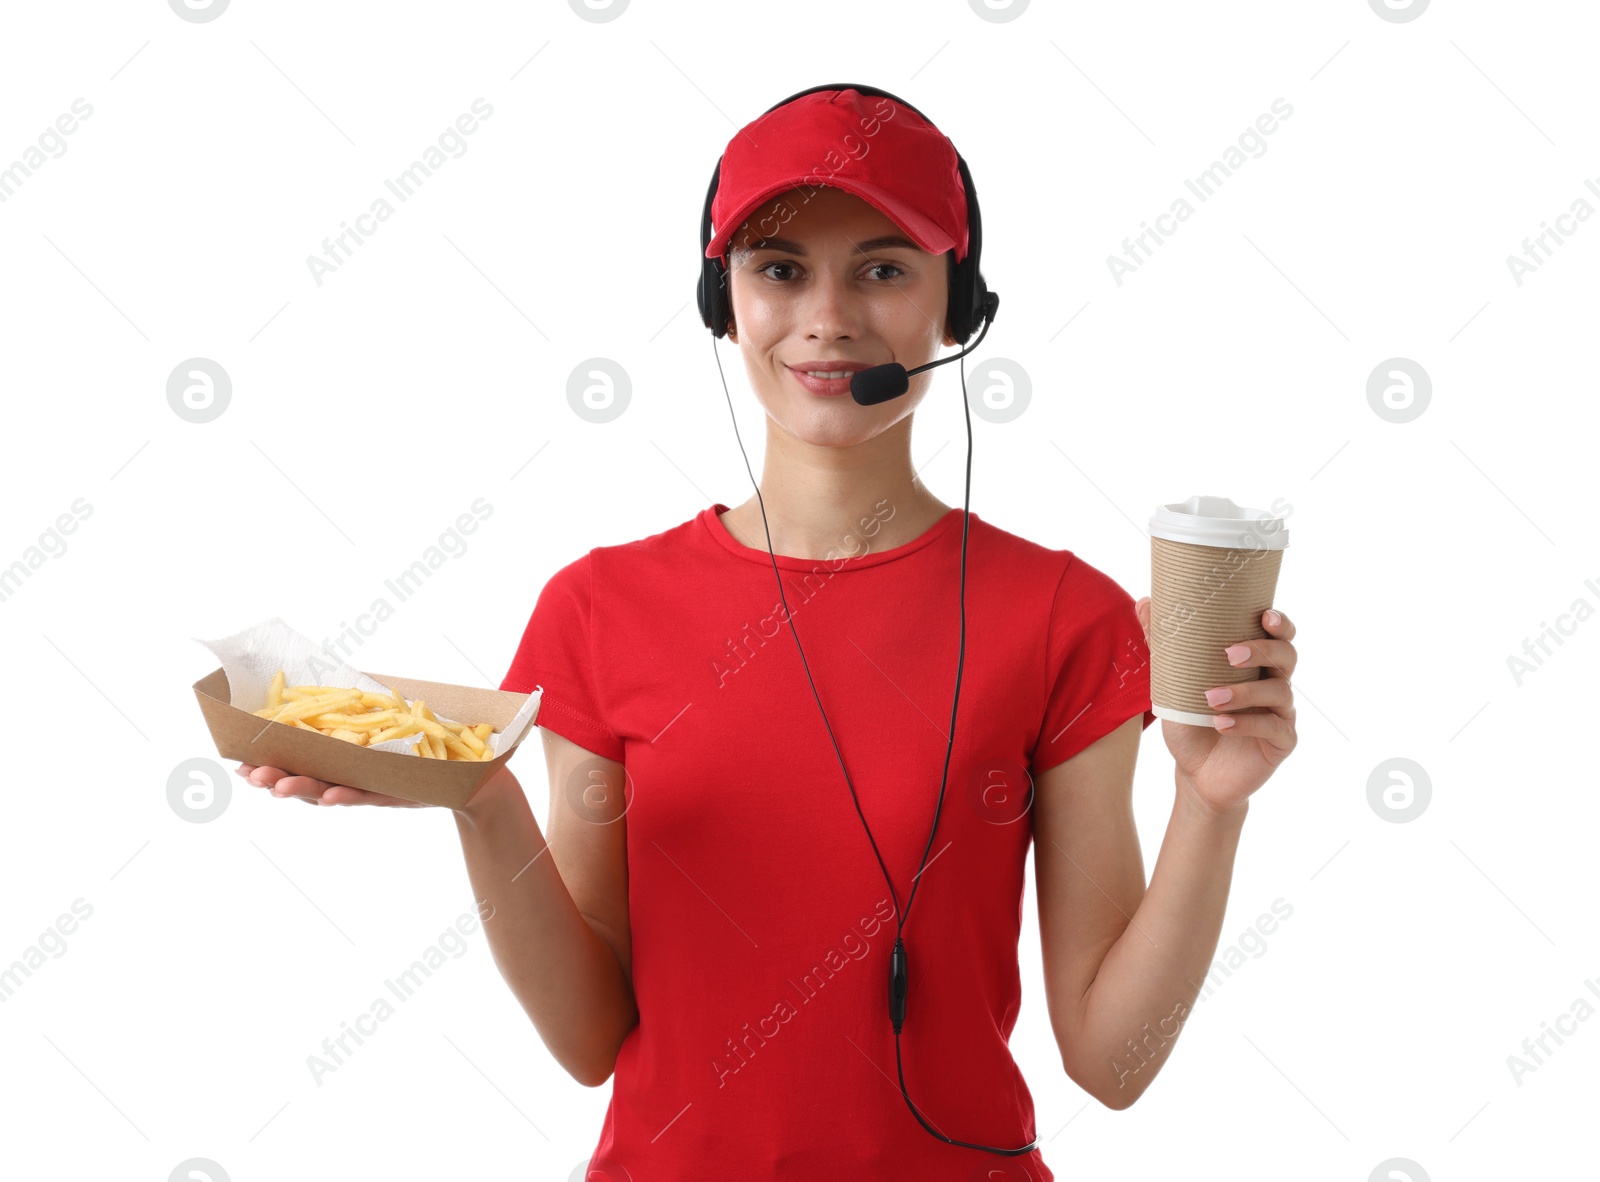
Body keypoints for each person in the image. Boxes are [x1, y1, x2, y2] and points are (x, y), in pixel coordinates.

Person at [237, 85, 1300, 1181]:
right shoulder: (598, 611)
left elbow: (1109, 1064)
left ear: (958, 305)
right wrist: (482, 802)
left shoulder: (1064, 617)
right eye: (778, 269)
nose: (827, 317)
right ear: (722, 300)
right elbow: (589, 1039)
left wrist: (1209, 805)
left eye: (883, 269)